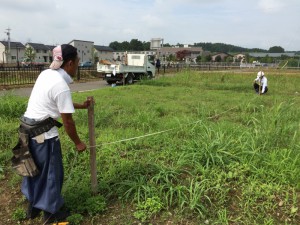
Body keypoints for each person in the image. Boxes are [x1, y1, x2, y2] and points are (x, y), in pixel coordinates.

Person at [20, 44, 91, 224]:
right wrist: (78, 143)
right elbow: (68, 122)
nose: (78, 65)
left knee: (32, 170)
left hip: (26, 132)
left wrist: (82, 106)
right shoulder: (61, 85)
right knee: (52, 174)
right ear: (68, 63)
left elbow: (58, 102)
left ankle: (33, 205)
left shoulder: (46, 74)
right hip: (44, 136)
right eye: (77, 62)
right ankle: (51, 214)